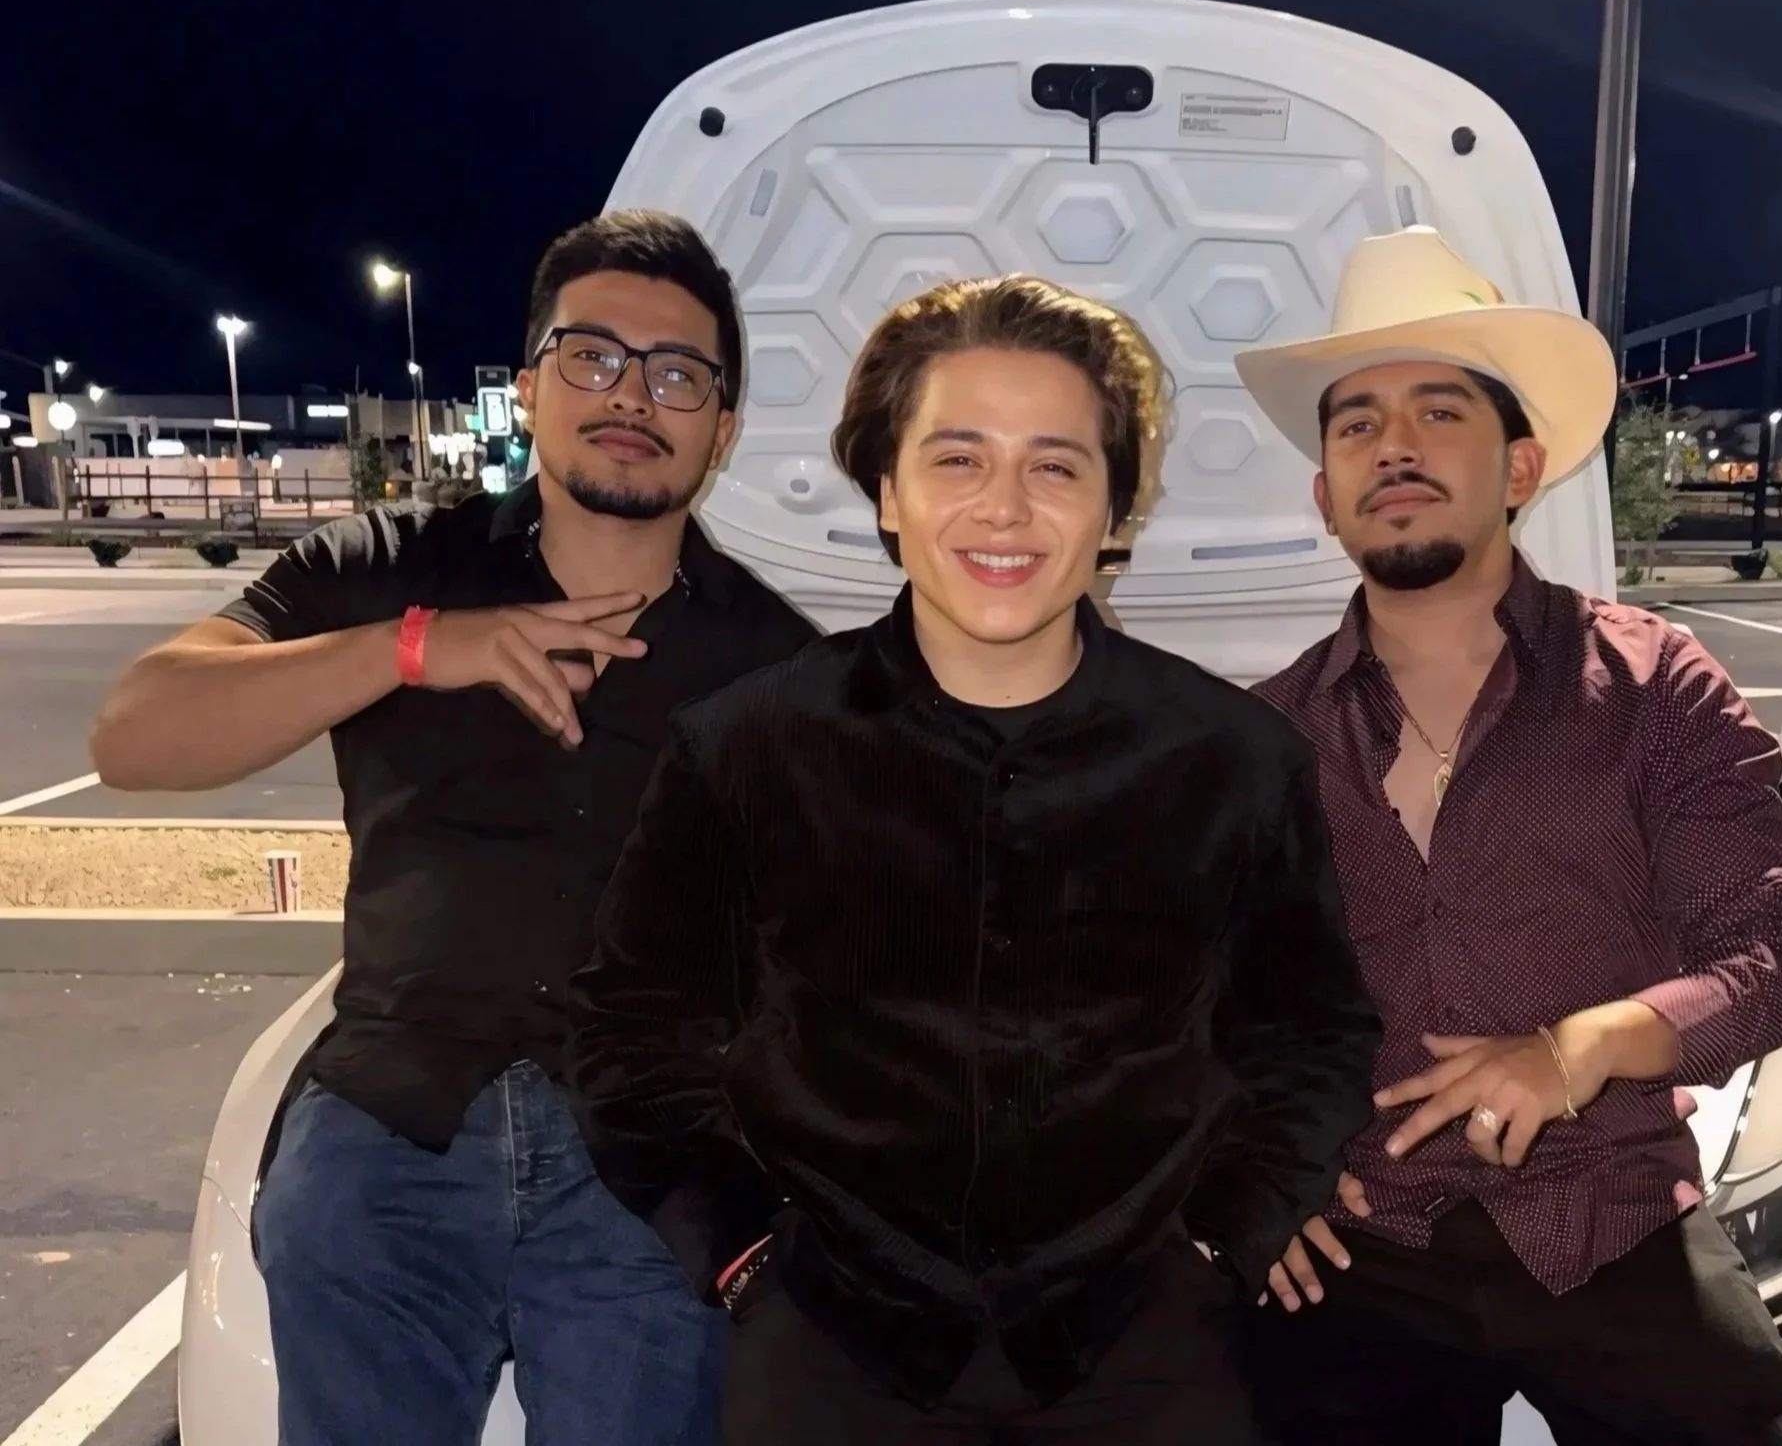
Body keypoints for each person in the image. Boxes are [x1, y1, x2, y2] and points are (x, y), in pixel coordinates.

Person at [566, 273, 1381, 1446]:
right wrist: (741, 1253)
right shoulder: (744, 748)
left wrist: (1225, 1240)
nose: (1003, 508)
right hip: (834, 1338)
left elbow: (1311, 1035)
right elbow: (631, 1028)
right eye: (956, 459)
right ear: (887, 491)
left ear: (1113, 512)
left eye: (1054, 466)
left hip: (1138, 1342)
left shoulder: (1234, 760)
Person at [89, 209, 817, 1446]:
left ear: (723, 428)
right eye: (591, 356)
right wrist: (419, 648)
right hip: (389, 1116)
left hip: (644, 1153)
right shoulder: (381, 565)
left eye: (677, 373)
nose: (631, 395)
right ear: (529, 386)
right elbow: (135, 734)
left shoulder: (781, 665)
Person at [1232, 226, 1782, 1445]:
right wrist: (1241, 1176)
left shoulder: (1655, 682)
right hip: (1360, 1238)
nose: (1390, 444)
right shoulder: (1259, 738)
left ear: (1519, 467)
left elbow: (1771, 949)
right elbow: (1197, 1003)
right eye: (1354, 425)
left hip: (1608, 1211)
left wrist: (1576, 1049)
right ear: (1324, 496)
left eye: (1436, 411)